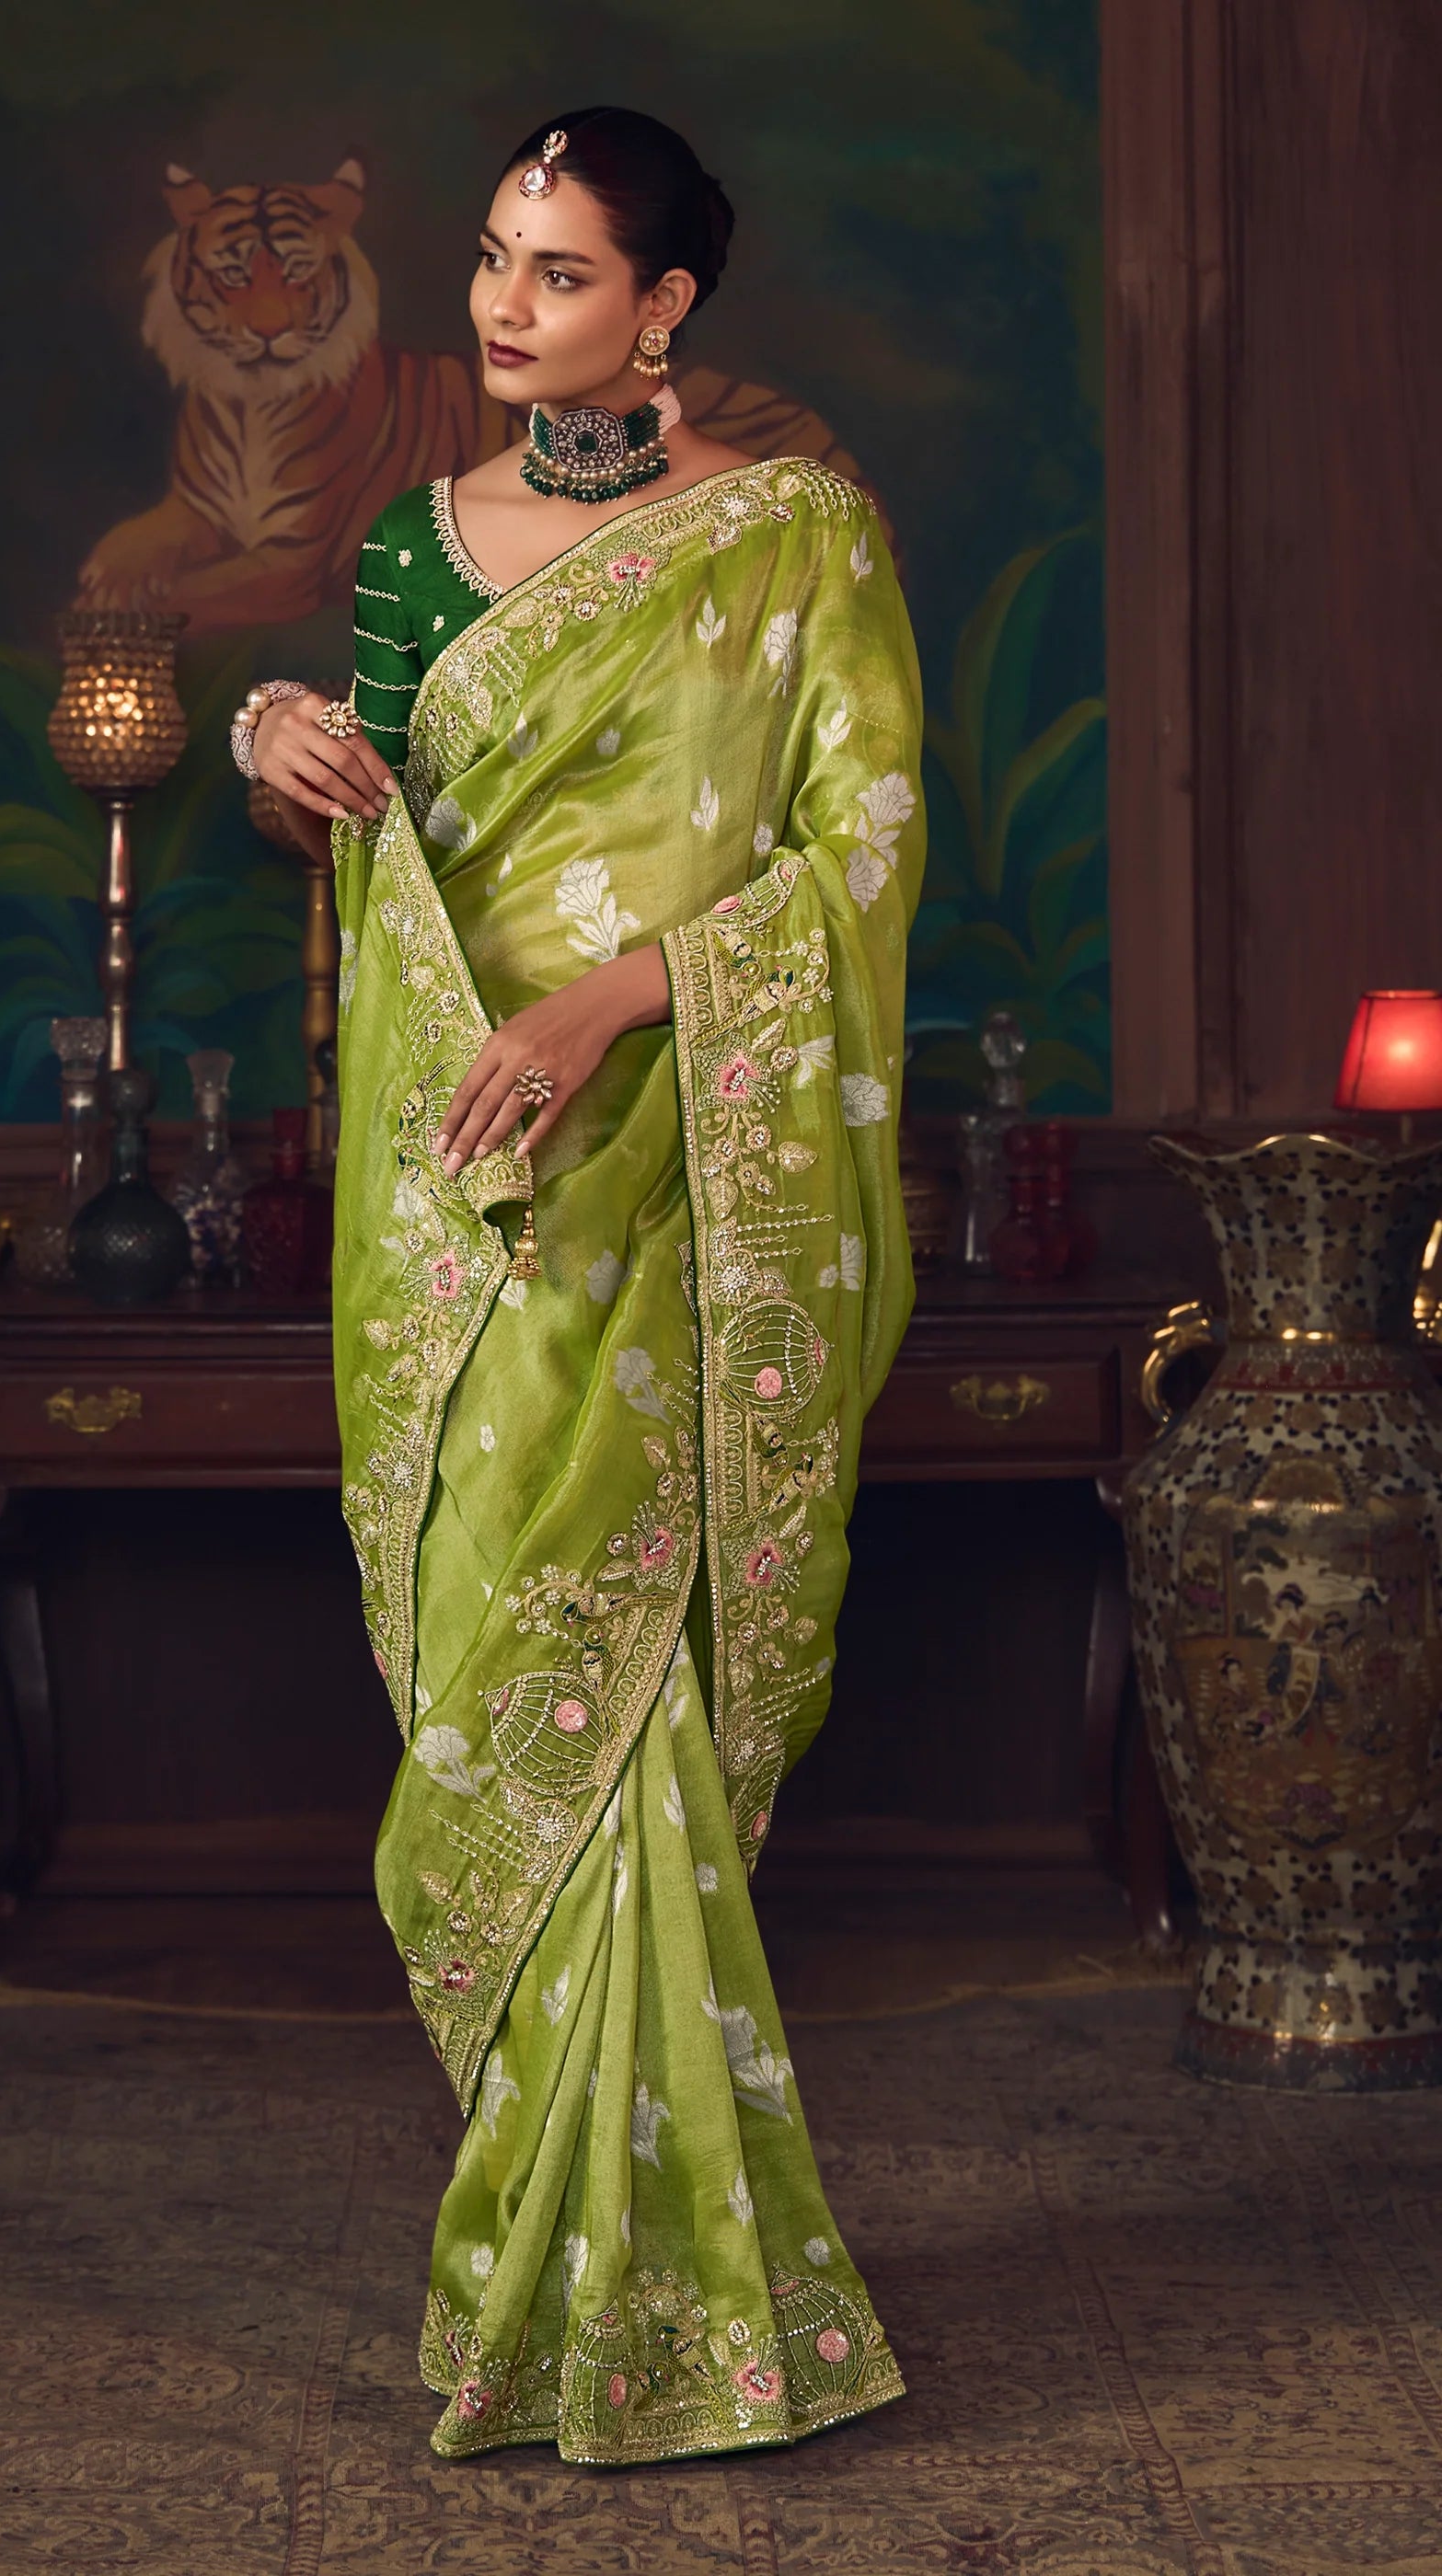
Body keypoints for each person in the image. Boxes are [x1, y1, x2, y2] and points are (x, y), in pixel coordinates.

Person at [235, 104, 924, 2467]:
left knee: (620, 1703)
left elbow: (858, 849)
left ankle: (653, 2303)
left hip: (669, 1185)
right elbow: (376, 814)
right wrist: (277, 745)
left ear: (664, 308)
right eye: (494, 260)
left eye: (560, 272)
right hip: (456, 1200)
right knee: (484, 1704)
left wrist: (619, 1002)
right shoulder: (414, 545)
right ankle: (573, 2279)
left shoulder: (796, 537)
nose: (505, 307)